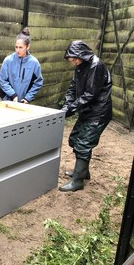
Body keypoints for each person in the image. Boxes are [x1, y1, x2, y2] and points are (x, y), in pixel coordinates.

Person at [59, 40, 112, 192]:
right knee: (74, 139)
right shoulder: (80, 66)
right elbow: (73, 87)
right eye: (71, 60)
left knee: (83, 144)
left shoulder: (96, 66)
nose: (73, 62)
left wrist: (72, 109)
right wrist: (66, 106)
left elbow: (90, 94)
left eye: (75, 58)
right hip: (86, 111)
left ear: (82, 54)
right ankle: (83, 172)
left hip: (97, 113)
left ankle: (77, 181)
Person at [0, 27, 43, 103]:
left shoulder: (34, 63)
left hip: (23, 102)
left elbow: (38, 82)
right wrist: (13, 95)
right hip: (6, 100)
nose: (17, 50)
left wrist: (28, 98)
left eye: (21, 47)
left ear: (28, 47)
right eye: (16, 47)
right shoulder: (8, 60)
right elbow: (2, 80)